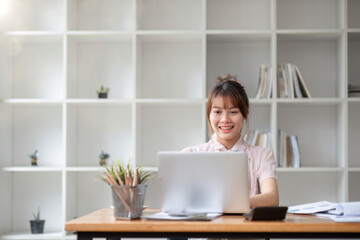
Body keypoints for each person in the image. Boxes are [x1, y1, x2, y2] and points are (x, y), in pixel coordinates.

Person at [182, 80, 279, 208]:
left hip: (246, 227)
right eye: (217, 112)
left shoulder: (261, 156)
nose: (225, 120)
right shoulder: (191, 154)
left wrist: (225, 204)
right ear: (209, 115)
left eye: (233, 112)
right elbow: (182, 199)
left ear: (245, 115)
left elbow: (272, 198)